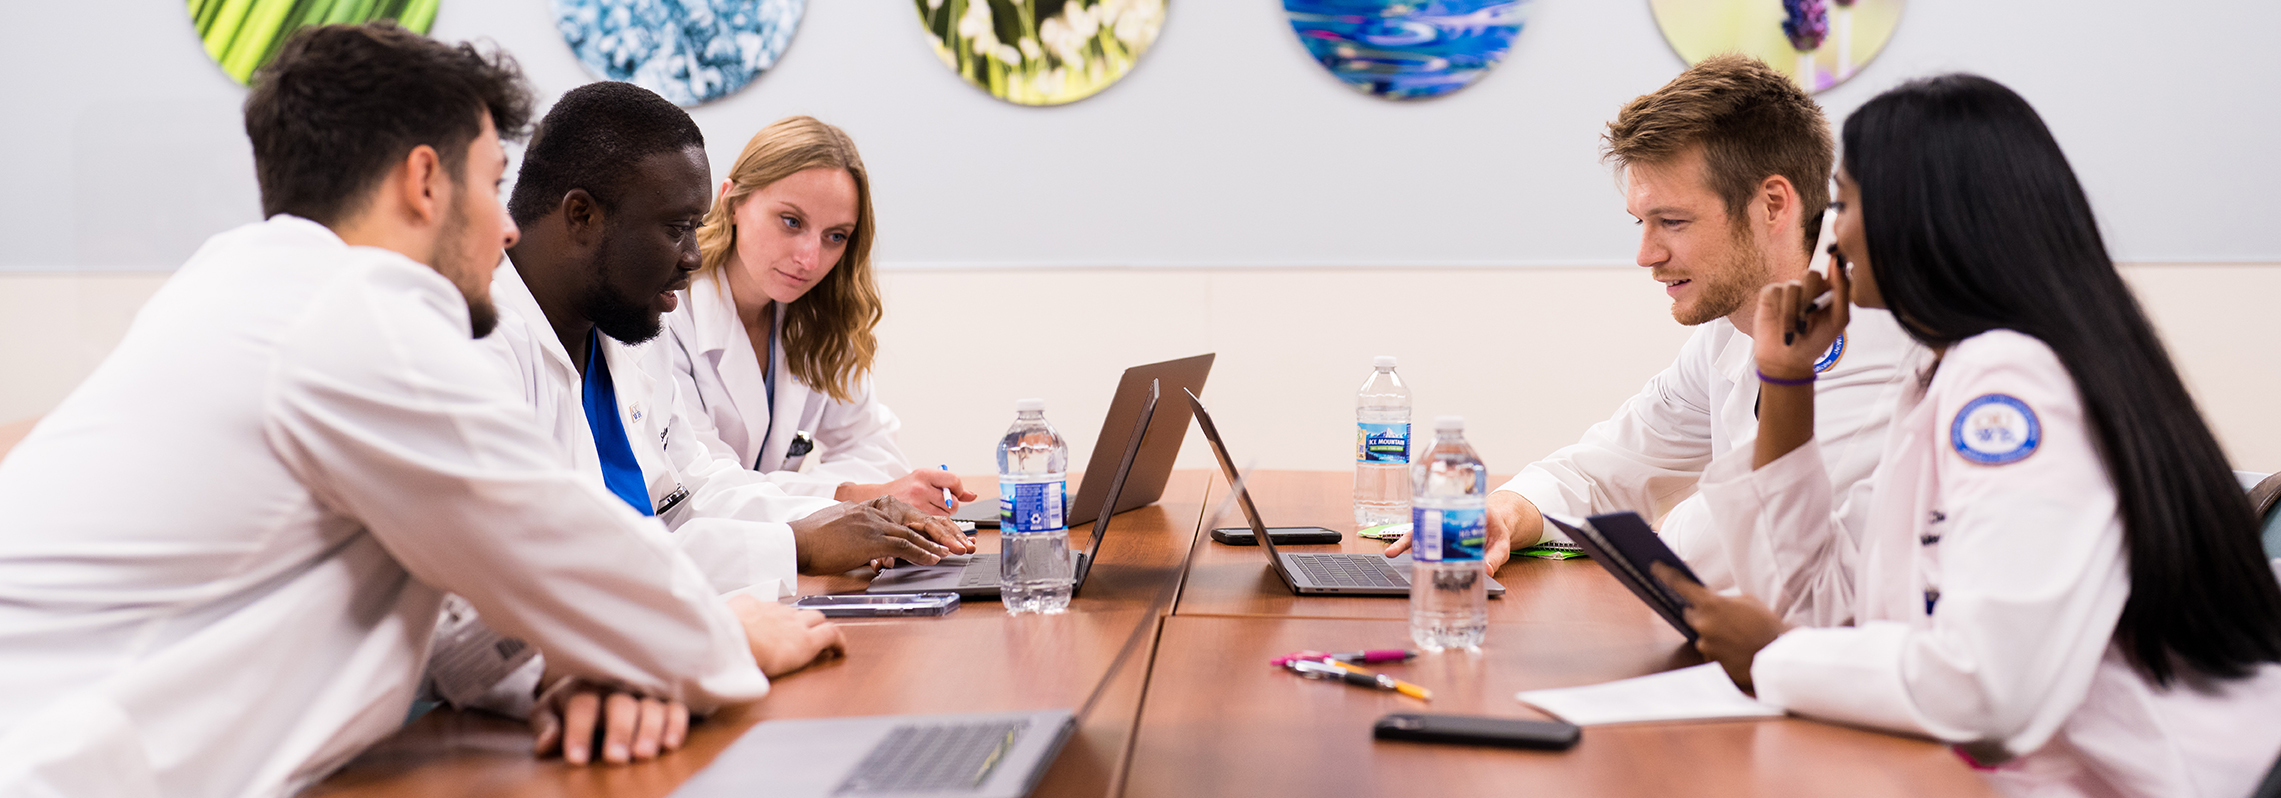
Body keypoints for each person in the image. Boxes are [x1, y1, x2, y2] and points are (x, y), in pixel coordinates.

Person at [0, 23, 840, 798]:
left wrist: (606, 657)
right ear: (424, 180)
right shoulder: (347, 315)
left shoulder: (252, 292)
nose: (509, 229)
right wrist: (723, 636)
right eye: (494, 183)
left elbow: (465, 598)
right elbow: (553, 545)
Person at [1666, 74, 2281, 797]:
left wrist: (1775, 656)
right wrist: (1786, 382)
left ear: (1919, 216)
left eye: (1844, 202)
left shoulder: (2009, 384)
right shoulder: (1943, 377)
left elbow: (1987, 687)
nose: (1834, 233)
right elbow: (1821, 611)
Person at [1387, 55, 1921, 596]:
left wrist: (1669, 527)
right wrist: (1506, 511)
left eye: (1672, 221)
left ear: (1773, 204)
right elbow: (1612, 466)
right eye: (1641, 223)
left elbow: (1739, 555)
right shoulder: (1732, 321)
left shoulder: (1874, 322)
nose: (1645, 254)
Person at [487, 82, 975, 602]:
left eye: (836, 236)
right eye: (677, 228)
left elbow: (694, 491)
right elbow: (562, 562)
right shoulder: (484, 348)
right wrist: (800, 542)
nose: (693, 257)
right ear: (582, 215)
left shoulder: (625, 330)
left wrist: (843, 523)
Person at [652, 115, 971, 515]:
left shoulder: (814, 316)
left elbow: (874, 446)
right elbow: (702, 485)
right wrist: (851, 497)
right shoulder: (666, 315)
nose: (810, 259)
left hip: (784, 554)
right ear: (732, 203)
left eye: (835, 236)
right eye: (791, 222)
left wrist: (854, 496)